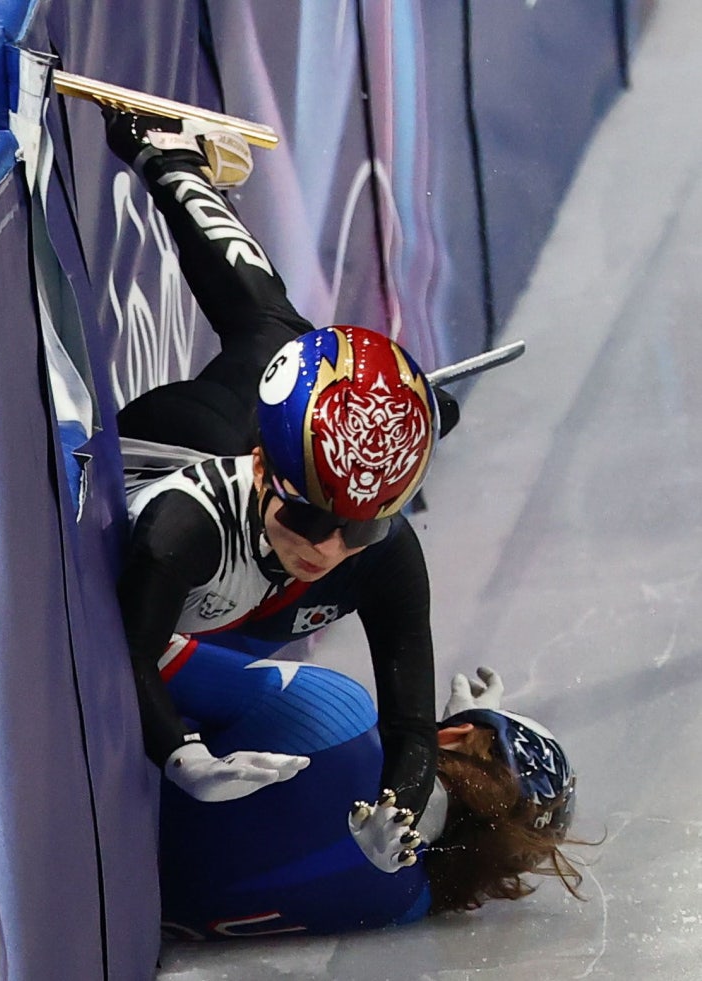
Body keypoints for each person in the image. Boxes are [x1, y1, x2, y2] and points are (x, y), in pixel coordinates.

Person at [104, 106, 461, 839]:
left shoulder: (384, 552)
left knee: (287, 340)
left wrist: (399, 809)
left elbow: (412, 725)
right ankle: (165, 155)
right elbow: (129, 654)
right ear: (266, 468)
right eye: (310, 516)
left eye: (358, 528)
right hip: (184, 441)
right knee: (277, 337)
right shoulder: (188, 525)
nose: (327, 547)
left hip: (253, 541)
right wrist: (181, 755)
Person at [156, 658, 579, 939]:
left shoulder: (336, 711)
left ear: (454, 734)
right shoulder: (403, 908)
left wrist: (441, 732)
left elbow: (140, 650)